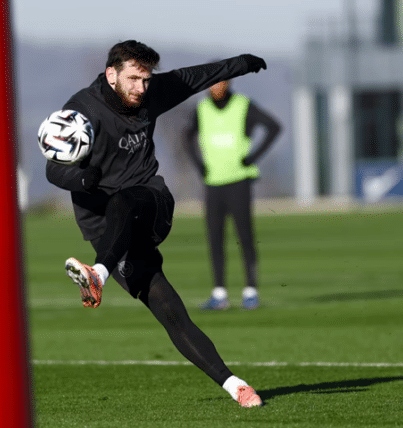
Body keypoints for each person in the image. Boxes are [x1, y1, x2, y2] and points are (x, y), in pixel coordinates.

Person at [45, 40, 268, 408]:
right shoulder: (81, 110)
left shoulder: (150, 94)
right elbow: (54, 167)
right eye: (133, 79)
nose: (141, 88)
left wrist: (243, 62)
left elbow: (198, 76)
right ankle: (236, 386)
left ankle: (97, 276)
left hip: (150, 206)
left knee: (125, 198)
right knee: (169, 310)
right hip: (106, 233)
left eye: (146, 80)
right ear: (111, 74)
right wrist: (80, 180)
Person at [184, 79, 281, 311]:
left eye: (219, 82)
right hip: (213, 182)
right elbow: (187, 137)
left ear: (228, 83)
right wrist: (199, 165)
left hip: (239, 180)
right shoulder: (201, 109)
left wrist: (252, 158)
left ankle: (251, 292)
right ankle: (219, 294)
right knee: (215, 238)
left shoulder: (243, 105)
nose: (215, 87)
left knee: (245, 236)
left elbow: (273, 127)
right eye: (211, 83)